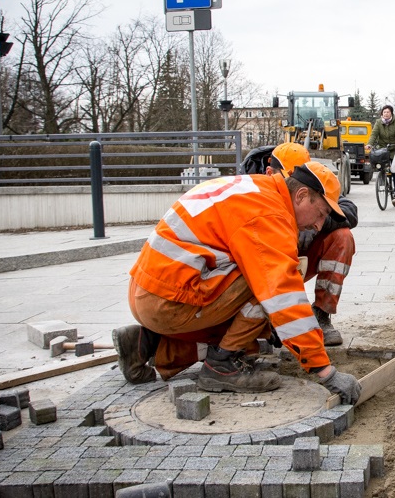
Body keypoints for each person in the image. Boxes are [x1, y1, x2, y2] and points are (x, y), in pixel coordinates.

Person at [112, 160, 361, 404]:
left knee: (249, 341)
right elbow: (282, 294)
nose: (319, 225)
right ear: (302, 195)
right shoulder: (269, 214)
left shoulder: (258, 190)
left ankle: (145, 345)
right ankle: (222, 366)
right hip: (168, 300)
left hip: (153, 292)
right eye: (320, 213)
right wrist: (325, 371)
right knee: (263, 291)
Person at [265, 143, 357, 346]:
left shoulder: (311, 181)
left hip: (300, 258)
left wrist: (315, 222)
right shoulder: (259, 195)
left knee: (343, 236)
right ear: (270, 172)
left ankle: (321, 314)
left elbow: (348, 210)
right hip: (268, 266)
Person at [367, 104, 395, 199]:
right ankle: (385, 181)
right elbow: (374, 134)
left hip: (393, 148)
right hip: (382, 149)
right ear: (382, 114)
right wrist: (369, 144)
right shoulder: (378, 123)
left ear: (391, 113)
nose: (386, 114)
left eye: (388, 112)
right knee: (381, 167)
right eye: (384, 112)